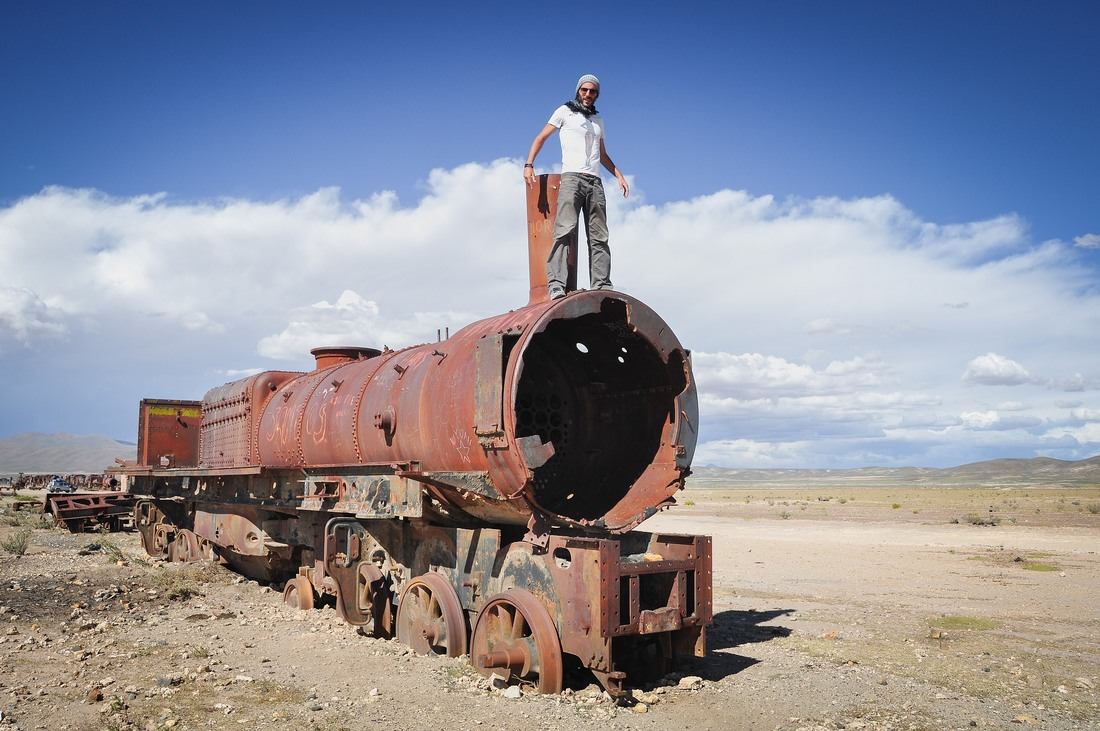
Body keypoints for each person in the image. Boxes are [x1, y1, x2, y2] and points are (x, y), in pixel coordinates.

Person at [524, 74, 629, 299]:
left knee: (599, 236)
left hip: (595, 182)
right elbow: (541, 137)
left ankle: (601, 285)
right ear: (578, 90)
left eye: (592, 91)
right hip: (572, 179)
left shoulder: (598, 120)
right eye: (584, 90)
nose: (588, 94)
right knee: (564, 231)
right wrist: (529, 164)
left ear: (597, 94)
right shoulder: (565, 111)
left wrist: (618, 175)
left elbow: (602, 154)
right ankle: (556, 284)